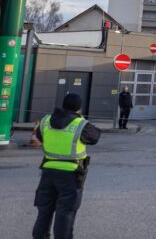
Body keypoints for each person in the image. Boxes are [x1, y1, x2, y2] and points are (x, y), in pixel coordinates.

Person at [32, 92, 102, 239]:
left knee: (44, 212)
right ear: (79, 108)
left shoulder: (46, 120)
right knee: (65, 214)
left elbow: (39, 136)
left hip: (48, 172)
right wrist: (81, 118)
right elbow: (95, 137)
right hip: (71, 174)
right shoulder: (81, 124)